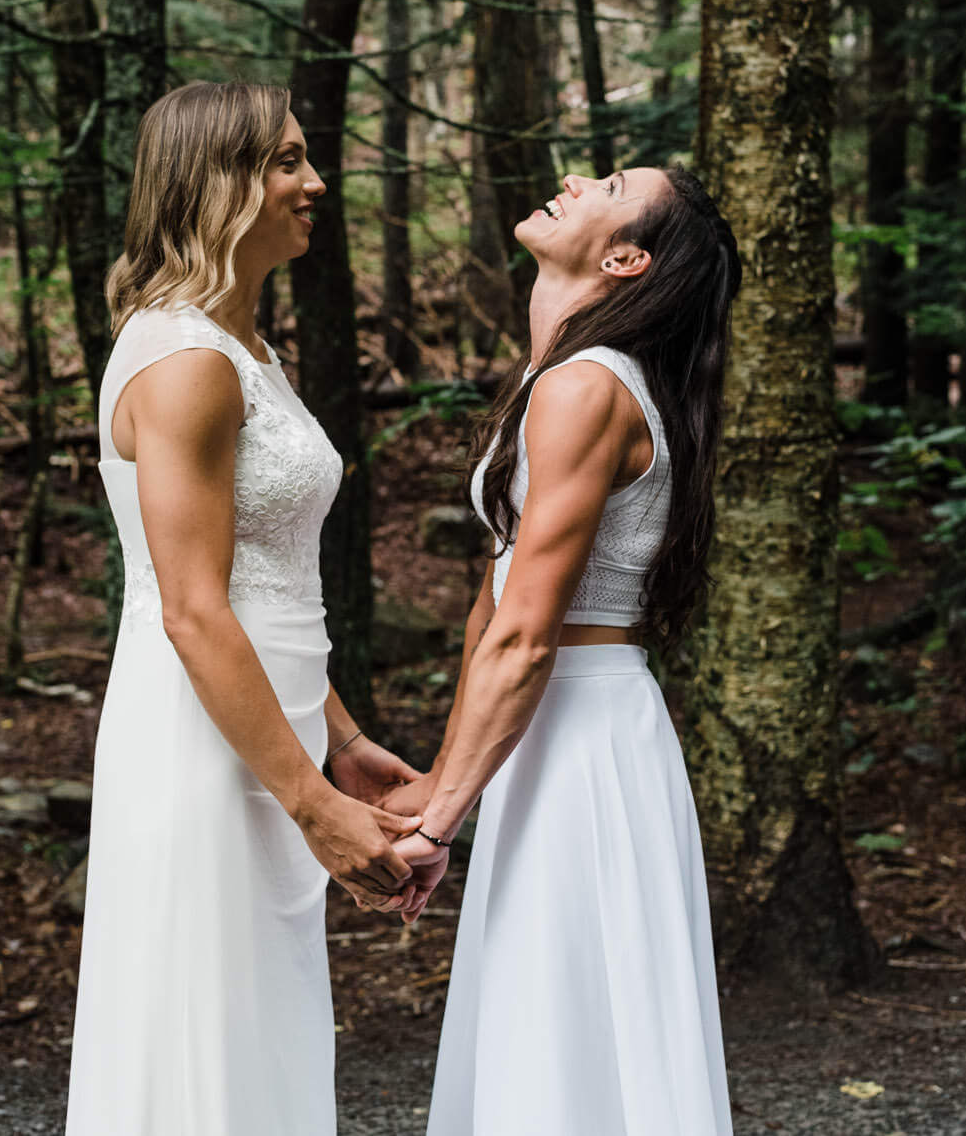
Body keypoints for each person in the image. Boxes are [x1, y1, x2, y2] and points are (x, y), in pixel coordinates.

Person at [65, 82, 424, 1136]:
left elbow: (261, 583)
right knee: (205, 1038)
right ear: (214, 182)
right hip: (205, 747)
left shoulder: (244, 352)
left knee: (259, 1032)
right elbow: (191, 611)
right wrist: (313, 802)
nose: (315, 182)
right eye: (285, 161)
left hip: (268, 735)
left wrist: (342, 738)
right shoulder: (187, 366)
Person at [386, 165, 743, 1136]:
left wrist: (437, 827)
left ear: (625, 257)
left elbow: (529, 629)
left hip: (579, 734)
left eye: (609, 182)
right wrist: (448, 773)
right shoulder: (563, 377)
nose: (574, 178)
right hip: (549, 728)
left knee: (570, 1025)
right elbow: (493, 601)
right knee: (545, 1022)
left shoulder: (587, 388)